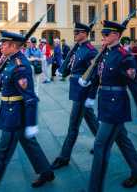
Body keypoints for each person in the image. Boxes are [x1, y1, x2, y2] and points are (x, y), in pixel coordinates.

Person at [0, 30, 55, 192]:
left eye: (4, 44)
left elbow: (30, 97)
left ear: (13, 46)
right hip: (10, 110)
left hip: (15, 115)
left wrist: (32, 123)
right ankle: (46, 172)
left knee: (2, 154)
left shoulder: (20, 65)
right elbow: (8, 80)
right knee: (29, 144)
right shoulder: (11, 60)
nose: (1, 47)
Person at [86, 20, 137, 192]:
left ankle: (95, 188)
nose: (103, 37)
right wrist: (91, 95)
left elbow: (136, 85)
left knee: (100, 145)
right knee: (123, 140)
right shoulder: (105, 53)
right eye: (103, 34)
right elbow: (98, 76)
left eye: (106, 34)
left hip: (116, 106)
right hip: (106, 102)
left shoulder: (124, 56)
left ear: (116, 35)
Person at [51, 22, 99, 170]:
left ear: (85, 33)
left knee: (73, 125)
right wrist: (63, 71)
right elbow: (73, 65)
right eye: (75, 32)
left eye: (78, 32)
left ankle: (64, 157)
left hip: (82, 92)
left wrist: (90, 93)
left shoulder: (90, 50)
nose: (75, 34)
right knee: (90, 119)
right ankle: (103, 143)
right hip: (76, 89)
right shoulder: (78, 48)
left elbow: (95, 73)